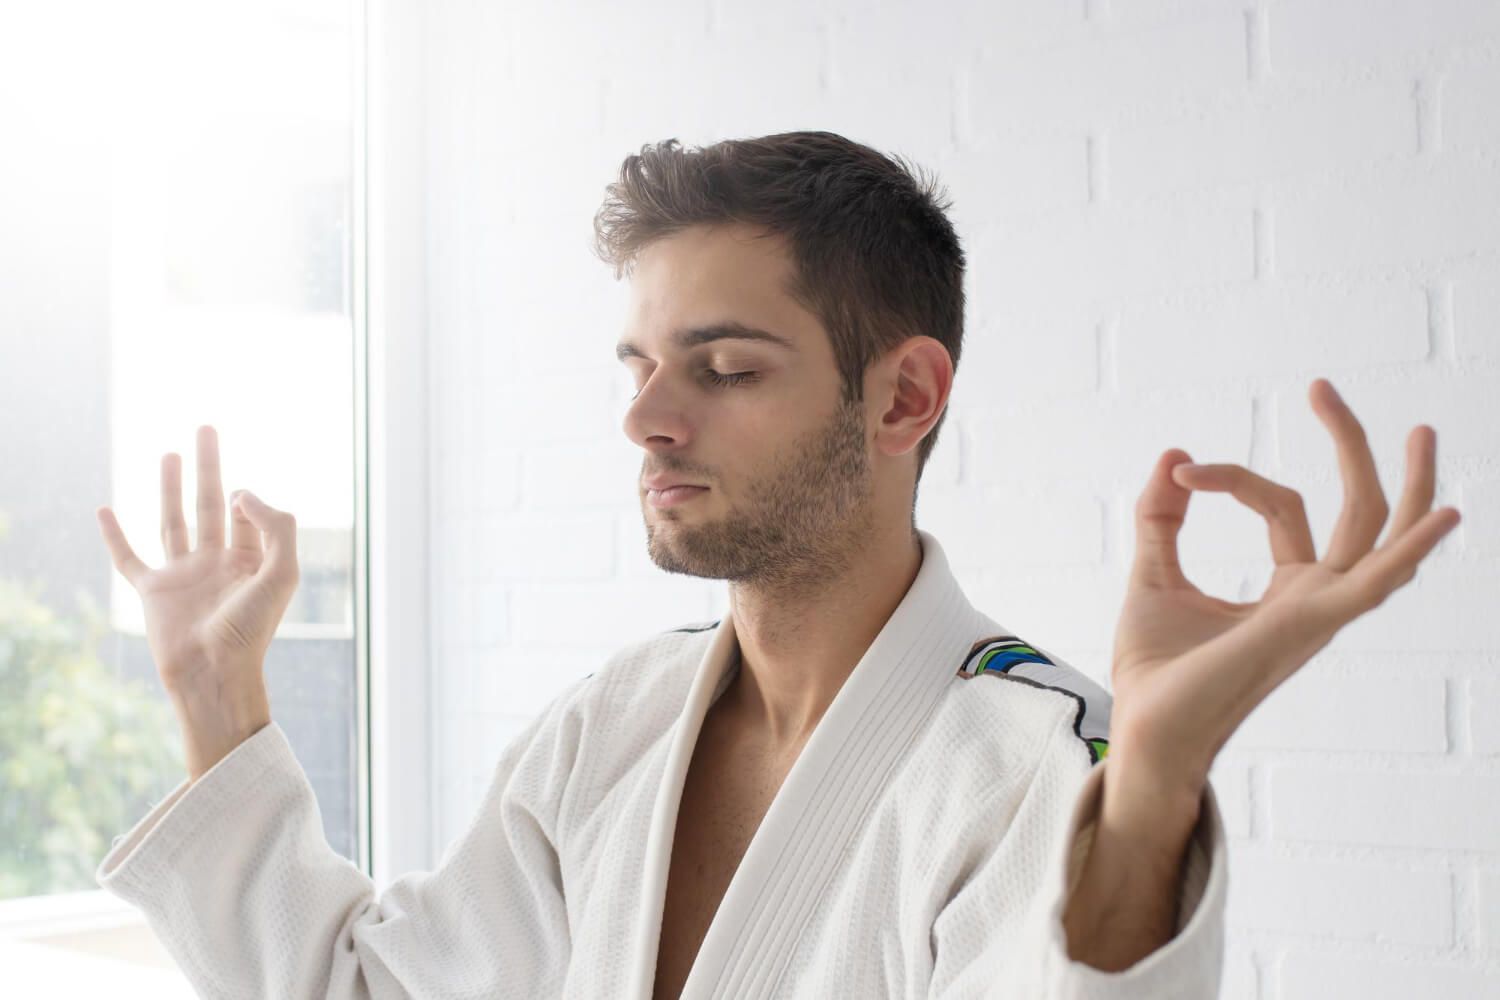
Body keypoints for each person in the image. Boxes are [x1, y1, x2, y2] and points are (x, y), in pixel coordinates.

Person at [94, 131, 1458, 998]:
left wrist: (1150, 786)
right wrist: (220, 700)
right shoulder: (609, 729)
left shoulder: (1038, 757)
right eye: (637, 367)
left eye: (725, 367)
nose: (645, 418)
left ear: (903, 400)